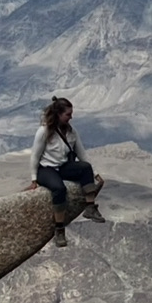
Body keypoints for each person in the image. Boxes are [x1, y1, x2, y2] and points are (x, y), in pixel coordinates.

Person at [29, 96, 105, 247]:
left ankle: (90, 207)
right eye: (68, 114)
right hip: (46, 168)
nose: (71, 117)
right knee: (59, 189)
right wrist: (33, 178)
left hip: (63, 166)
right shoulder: (43, 132)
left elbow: (81, 153)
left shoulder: (71, 132)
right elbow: (35, 156)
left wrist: (95, 172)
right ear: (58, 114)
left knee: (85, 167)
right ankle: (59, 229)